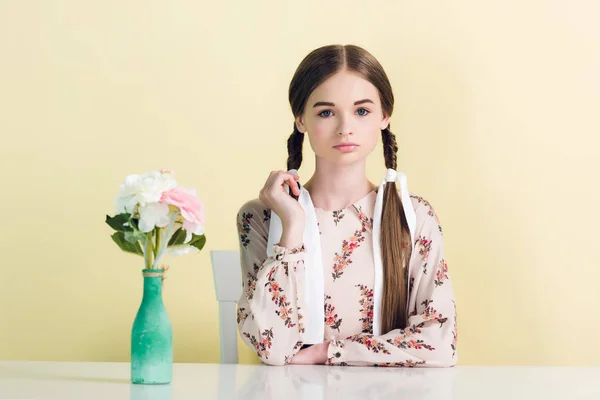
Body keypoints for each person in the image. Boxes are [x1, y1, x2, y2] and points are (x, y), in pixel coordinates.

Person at [235, 44, 458, 367]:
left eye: (362, 111)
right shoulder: (263, 217)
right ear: (301, 120)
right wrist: (292, 228)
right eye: (326, 112)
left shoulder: (414, 217)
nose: (345, 127)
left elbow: (440, 344)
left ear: (384, 117)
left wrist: (329, 351)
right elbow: (273, 348)